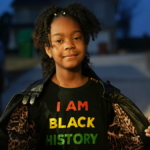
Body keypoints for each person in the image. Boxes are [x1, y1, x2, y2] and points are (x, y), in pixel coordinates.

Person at [0, 3, 150, 150]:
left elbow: (132, 142)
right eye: (59, 40)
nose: (69, 45)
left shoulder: (107, 97)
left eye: (76, 38)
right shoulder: (32, 101)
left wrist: (147, 134)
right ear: (48, 49)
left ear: (85, 44)